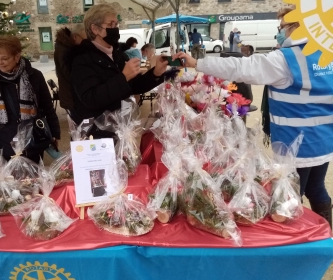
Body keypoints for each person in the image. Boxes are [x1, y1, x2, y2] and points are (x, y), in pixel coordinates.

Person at [173, 6, 333, 227]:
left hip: (295, 146)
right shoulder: (326, 54)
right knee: (317, 188)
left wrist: (197, 63)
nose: (282, 32)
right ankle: (327, 236)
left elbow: (242, 67)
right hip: (323, 141)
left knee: (287, 201)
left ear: (296, 26)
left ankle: (301, 249)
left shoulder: (287, 59)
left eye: (283, 27)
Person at [69, 4, 168, 135]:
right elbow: (90, 99)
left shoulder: (117, 55)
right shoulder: (82, 59)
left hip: (120, 129)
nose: (115, 28)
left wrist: (156, 72)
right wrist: (124, 77)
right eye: (111, 24)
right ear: (95, 29)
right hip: (97, 136)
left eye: (116, 24)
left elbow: (134, 86)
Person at [0, 35, 61, 164]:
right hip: (4, 140)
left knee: (34, 179)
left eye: (5, 58)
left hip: (33, 138)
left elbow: (47, 106)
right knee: (9, 181)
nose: (0, 62)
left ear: (17, 57)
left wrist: (54, 132)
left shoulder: (34, 76)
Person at [54, 24, 86, 111]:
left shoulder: (64, 47)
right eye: (84, 40)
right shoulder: (65, 50)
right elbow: (69, 74)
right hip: (71, 98)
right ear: (75, 37)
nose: (86, 43)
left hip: (71, 97)